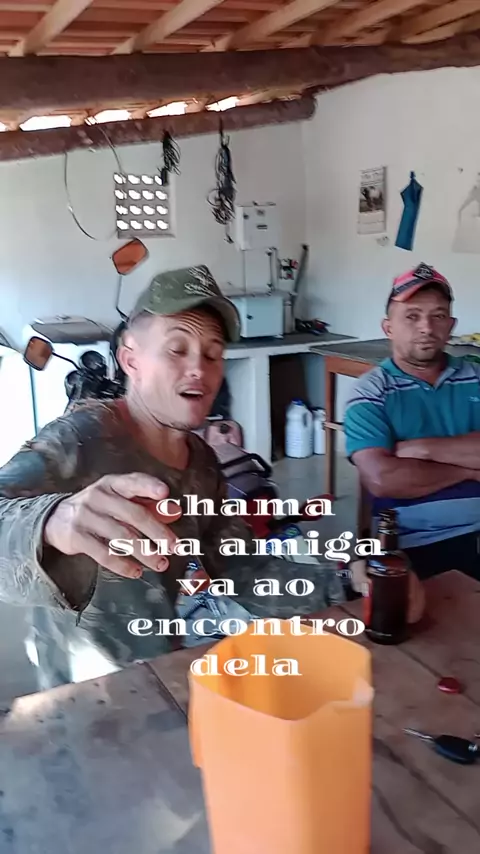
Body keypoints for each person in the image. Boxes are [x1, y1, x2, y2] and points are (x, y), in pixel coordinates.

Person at [0, 265, 344, 691]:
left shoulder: (201, 463)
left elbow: (241, 567)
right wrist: (50, 522)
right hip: (81, 696)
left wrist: (343, 583)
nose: (198, 368)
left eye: (213, 354)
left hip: (161, 676)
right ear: (131, 359)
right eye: (177, 349)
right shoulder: (79, 438)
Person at [344, 262, 480, 580]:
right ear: (388, 327)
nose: (426, 327)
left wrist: (420, 449)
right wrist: (469, 471)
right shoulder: (370, 392)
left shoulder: (476, 377)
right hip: (409, 545)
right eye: (412, 316)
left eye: (438, 316)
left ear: (451, 325)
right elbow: (382, 478)